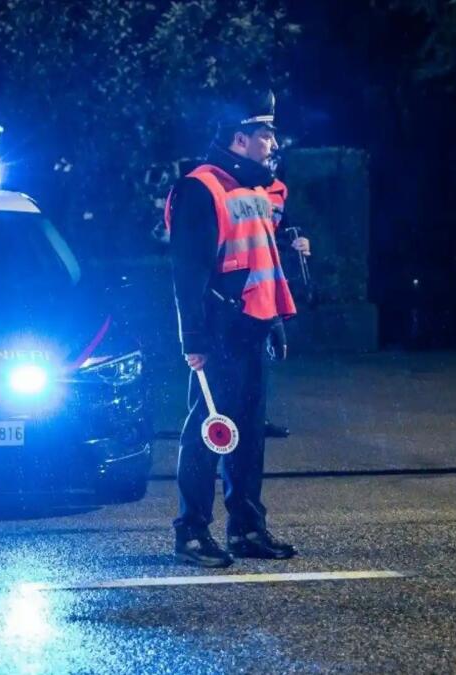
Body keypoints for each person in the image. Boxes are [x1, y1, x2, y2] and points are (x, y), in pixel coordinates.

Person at [165, 92, 309, 567]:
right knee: (211, 433)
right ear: (240, 138)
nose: (273, 141)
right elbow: (188, 274)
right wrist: (195, 342)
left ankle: (247, 529)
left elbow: (262, 261)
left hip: (253, 328)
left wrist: (275, 324)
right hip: (220, 333)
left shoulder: (253, 188)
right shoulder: (200, 188)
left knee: (247, 433)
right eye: (265, 133)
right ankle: (190, 532)